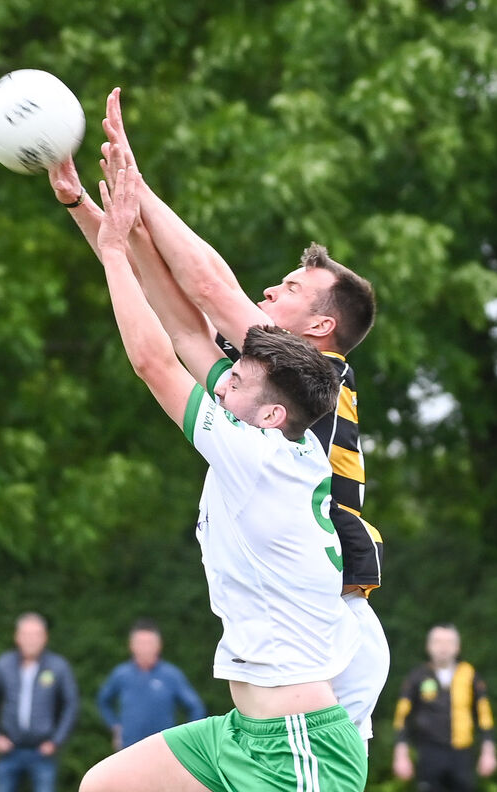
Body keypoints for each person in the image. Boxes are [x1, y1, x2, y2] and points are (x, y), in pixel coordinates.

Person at [50, 88, 390, 754]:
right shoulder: (262, 388)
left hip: (329, 634)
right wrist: (90, 209)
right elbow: (177, 320)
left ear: (320, 327)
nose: (269, 291)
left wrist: (139, 187)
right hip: (300, 633)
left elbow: (207, 287)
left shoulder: (317, 379)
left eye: (290, 289)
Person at [392, 624, 497, 792]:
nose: (443, 647)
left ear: (458, 647)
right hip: (430, 752)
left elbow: (484, 714)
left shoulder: (469, 674)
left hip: (462, 753)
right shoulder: (418, 676)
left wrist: (488, 750)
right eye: (438, 642)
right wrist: (401, 753)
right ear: (428, 646)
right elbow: (402, 717)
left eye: (449, 642)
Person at [0, 612, 79, 792]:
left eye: (36, 634)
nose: (31, 639)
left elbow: (71, 704)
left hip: (42, 751)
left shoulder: (58, 667)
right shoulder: (3, 664)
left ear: (45, 637)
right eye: (26, 634)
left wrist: (56, 741)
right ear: (17, 637)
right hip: (9, 749)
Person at [97, 619, 207, 750]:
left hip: (163, 750)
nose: (145, 648)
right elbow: (103, 701)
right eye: (140, 643)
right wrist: (115, 727)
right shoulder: (121, 674)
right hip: (128, 749)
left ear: (159, 646)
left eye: (149, 643)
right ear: (131, 645)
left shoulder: (171, 675)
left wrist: (185, 739)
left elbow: (196, 707)